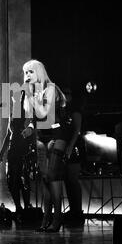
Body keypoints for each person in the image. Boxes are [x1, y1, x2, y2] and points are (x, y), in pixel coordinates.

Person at [21, 59, 67, 232]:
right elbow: (33, 118)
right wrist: (30, 128)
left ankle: (57, 219)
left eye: (30, 72)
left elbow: (44, 113)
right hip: (41, 137)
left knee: (54, 178)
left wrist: (31, 96)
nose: (27, 76)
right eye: (25, 73)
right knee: (45, 179)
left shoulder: (51, 89)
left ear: (38, 72)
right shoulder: (32, 92)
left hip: (56, 136)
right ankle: (46, 219)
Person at [0, 89, 33, 218]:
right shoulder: (12, 115)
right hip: (12, 151)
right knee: (12, 180)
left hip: (23, 150)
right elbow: (8, 135)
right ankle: (18, 207)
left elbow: (31, 133)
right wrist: (1, 153)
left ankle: (26, 207)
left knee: (22, 180)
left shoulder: (26, 114)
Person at [62, 87, 86, 226]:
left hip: (74, 147)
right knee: (68, 180)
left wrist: (70, 147)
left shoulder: (75, 111)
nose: (65, 96)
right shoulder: (65, 111)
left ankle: (77, 211)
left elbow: (77, 130)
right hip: (68, 146)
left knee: (72, 179)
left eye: (67, 93)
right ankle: (74, 210)